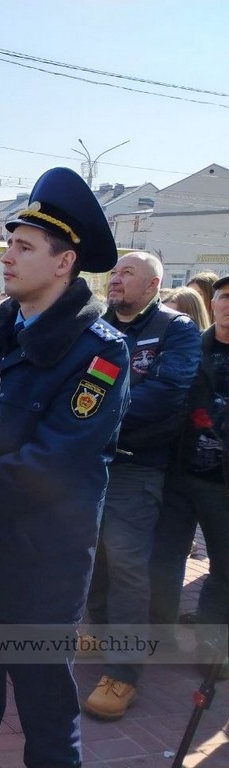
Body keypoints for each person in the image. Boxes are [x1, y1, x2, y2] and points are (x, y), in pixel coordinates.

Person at [0, 167, 131, 768]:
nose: (7, 257)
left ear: (63, 262)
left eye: (23, 247)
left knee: (45, 709)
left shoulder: (100, 351)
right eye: (8, 244)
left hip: (40, 563)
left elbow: (53, 461)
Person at [83, 251, 200, 720]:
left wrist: (96, 417)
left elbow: (167, 394)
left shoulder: (176, 329)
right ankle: (98, 628)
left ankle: (124, 672)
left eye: (127, 273)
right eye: (114, 272)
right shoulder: (92, 324)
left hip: (137, 467)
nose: (116, 279)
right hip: (91, 463)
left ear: (154, 284)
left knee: (130, 569)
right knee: (92, 555)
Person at [150, 275, 229, 679]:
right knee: (163, 560)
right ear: (212, 302)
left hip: (222, 485)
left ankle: (213, 650)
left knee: (224, 568)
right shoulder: (190, 346)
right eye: (224, 297)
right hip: (178, 474)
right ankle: (157, 638)